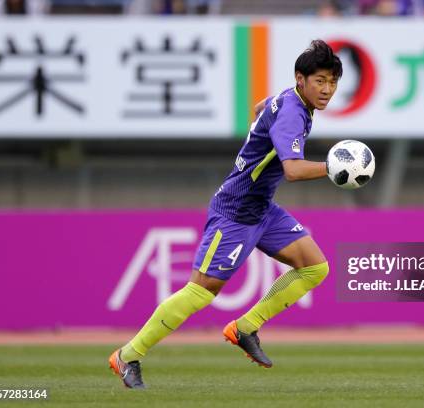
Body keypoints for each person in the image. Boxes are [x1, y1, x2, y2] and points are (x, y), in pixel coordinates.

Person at [109, 39, 343, 389]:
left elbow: (260, 106)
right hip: (236, 211)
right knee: (201, 291)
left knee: (314, 267)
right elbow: (293, 170)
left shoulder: (290, 100)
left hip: (262, 206)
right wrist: (333, 167)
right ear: (300, 79)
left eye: (332, 82)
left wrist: (260, 135)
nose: (327, 90)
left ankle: (245, 327)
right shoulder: (294, 112)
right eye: (320, 81)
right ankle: (127, 355)